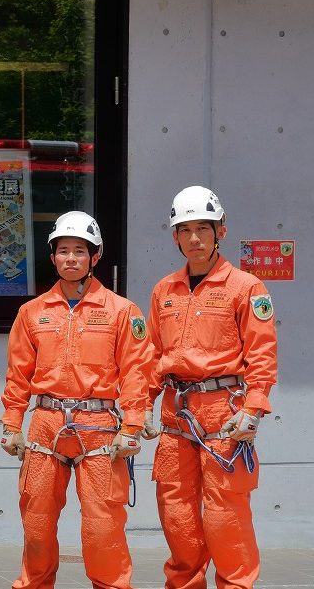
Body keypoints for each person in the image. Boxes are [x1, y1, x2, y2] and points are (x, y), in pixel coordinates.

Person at [0, 211, 156, 589]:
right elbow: (18, 374)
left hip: (98, 425)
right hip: (46, 422)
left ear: (95, 256)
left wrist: (133, 424)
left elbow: (136, 371)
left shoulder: (122, 312)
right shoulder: (31, 313)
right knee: (36, 521)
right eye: (63, 251)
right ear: (52, 256)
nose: (71, 258)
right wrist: (11, 424)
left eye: (80, 251)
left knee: (103, 526)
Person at [148, 186, 277, 589]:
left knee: (225, 517)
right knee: (177, 516)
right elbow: (150, 357)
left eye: (203, 228)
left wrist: (253, 408)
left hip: (225, 415)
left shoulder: (245, 287)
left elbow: (262, 353)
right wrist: (136, 411)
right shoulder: (164, 291)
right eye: (185, 230)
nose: (195, 238)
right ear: (175, 236)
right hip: (176, 417)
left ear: (221, 230)